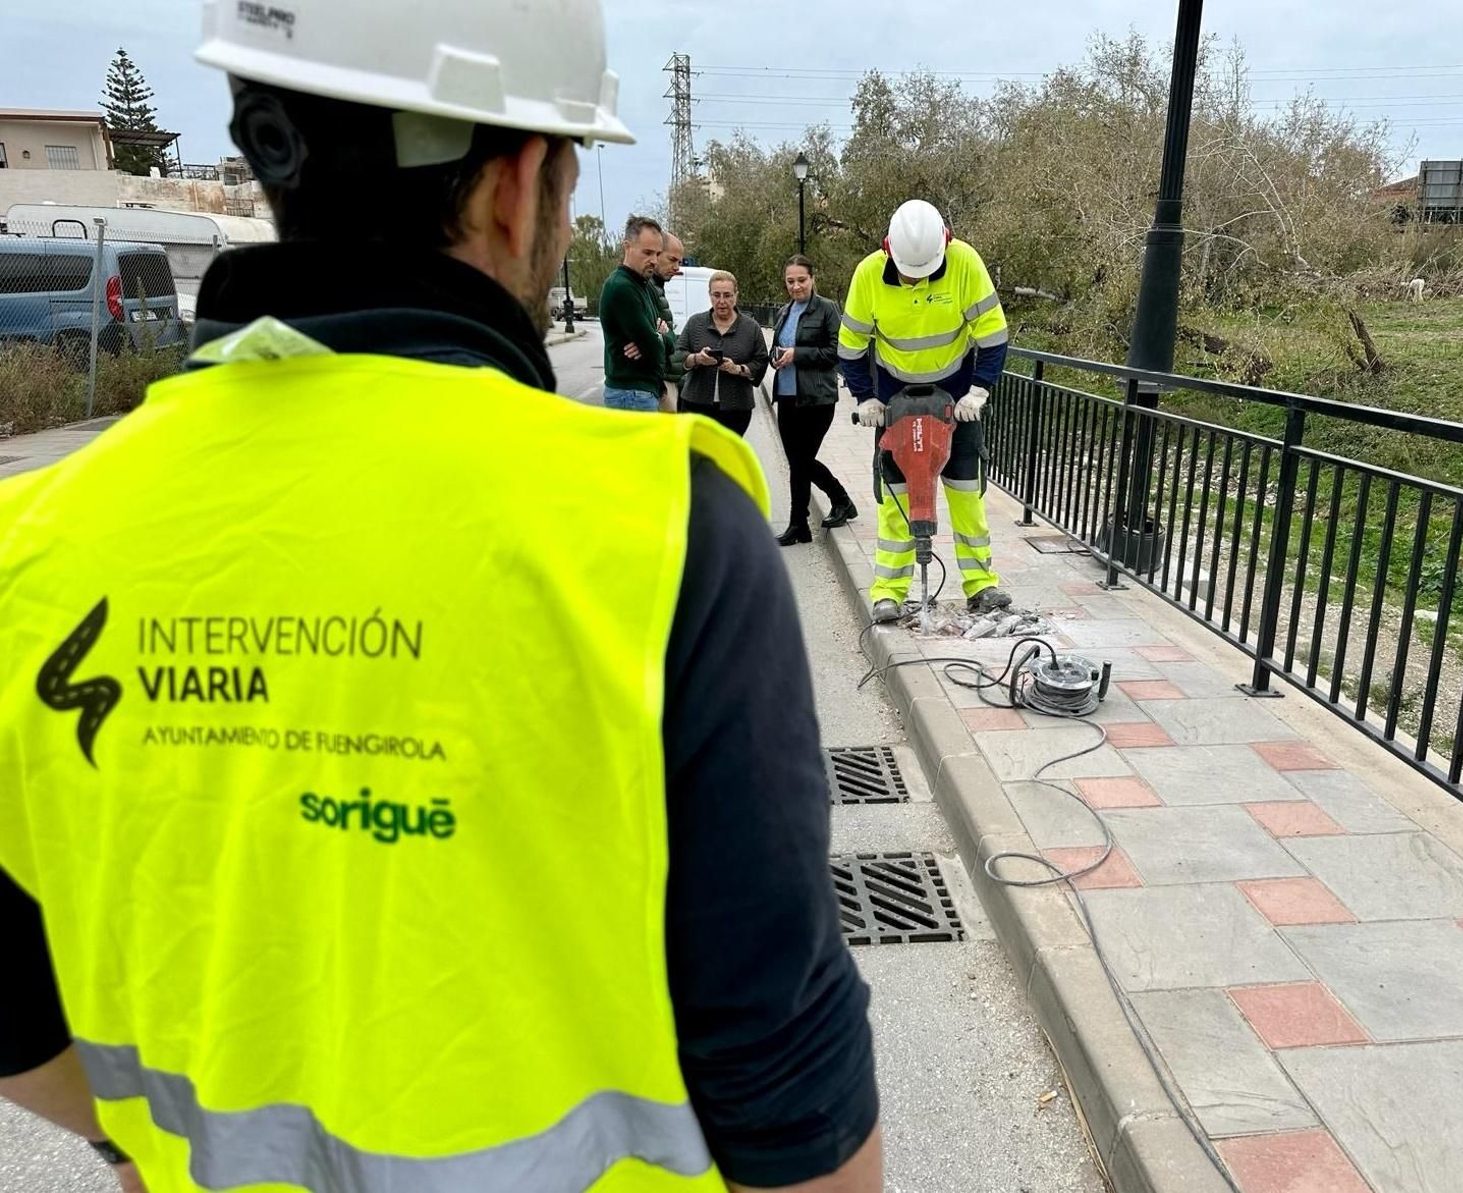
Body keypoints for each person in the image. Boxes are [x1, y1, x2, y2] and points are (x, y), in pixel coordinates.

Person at [0, 4, 884, 1192]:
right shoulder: (661, 536)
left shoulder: (29, 552)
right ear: (520, 187)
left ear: (270, 150)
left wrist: (132, 1142)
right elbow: (788, 1081)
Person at [838, 199, 1012, 622]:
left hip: (956, 395)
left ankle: (981, 585)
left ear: (944, 246)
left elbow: (993, 334)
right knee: (897, 498)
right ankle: (889, 591)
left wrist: (979, 391)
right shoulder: (868, 275)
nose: (916, 277)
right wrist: (865, 399)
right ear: (889, 250)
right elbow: (851, 347)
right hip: (894, 396)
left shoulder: (965, 262)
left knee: (967, 492)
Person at [770, 255, 855, 546]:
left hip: (817, 399)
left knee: (801, 461)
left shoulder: (827, 309)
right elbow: (776, 347)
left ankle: (805, 520)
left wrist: (798, 354)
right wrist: (777, 357)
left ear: (812, 279)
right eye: (790, 281)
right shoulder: (784, 311)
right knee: (798, 461)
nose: (796, 286)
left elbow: (835, 352)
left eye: (801, 280)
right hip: (787, 396)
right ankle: (817, 515)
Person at [676, 271, 767, 437]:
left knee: (726, 460)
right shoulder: (695, 323)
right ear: (709, 295)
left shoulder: (751, 327)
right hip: (696, 405)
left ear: (736, 295)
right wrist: (697, 359)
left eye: (727, 295)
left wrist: (738, 369)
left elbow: (761, 363)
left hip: (736, 409)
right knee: (697, 458)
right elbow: (678, 357)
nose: (722, 301)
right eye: (716, 295)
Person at [599, 214, 668, 411]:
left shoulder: (646, 286)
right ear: (627, 247)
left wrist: (659, 337)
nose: (654, 260)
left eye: (657, 253)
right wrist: (656, 339)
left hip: (642, 392)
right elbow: (656, 351)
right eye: (647, 252)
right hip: (630, 394)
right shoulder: (621, 287)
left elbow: (668, 339)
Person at [651, 232, 688, 412]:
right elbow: (654, 338)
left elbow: (668, 337)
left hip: (667, 381)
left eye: (679, 262)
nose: (677, 267)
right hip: (659, 384)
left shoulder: (657, 288)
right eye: (672, 260)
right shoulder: (648, 288)